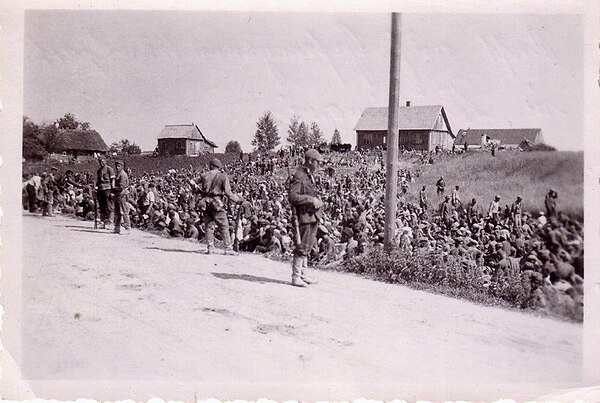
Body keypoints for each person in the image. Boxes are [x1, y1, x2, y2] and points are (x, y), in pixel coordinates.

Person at [288, 148, 324, 287]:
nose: (319, 165)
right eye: (317, 162)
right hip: (303, 216)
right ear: (310, 161)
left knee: (307, 245)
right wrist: (311, 200)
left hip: (311, 215)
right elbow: (293, 196)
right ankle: (296, 276)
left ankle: (303, 274)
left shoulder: (308, 175)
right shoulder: (299, 176)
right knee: (301, 245)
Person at [199, 157, 242, 254]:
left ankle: (210, 248)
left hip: (205, 202)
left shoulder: (204, 175)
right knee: (224, 225)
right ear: (218, 166)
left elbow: (192, 182)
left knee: (209, 225)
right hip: (217, 202)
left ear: (211, 166)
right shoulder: (222, 176)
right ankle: (228, 248)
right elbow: (228, 193)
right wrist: (237, 200)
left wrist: (199, 191)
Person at [112, 160, 131, 234]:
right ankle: (117, 228)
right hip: (118, 195)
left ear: (122, 166)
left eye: (118, 166)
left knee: (123, 211)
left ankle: (127, 227)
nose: (117, 167)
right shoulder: (118, 174)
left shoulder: (123, 174)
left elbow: (121, 186)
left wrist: (113, 188)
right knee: (117, 212)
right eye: (116, 166)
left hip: (122, 194)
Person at [96, 157, 115, 229]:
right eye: (100, 161)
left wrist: (112, 190)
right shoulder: (99, 170)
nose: (101, 162)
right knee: (102, 205)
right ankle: (103, 221)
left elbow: (112, 180)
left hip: (108, 188)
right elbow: (98, 180)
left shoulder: (109, 169)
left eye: (103, 161)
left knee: (109, 205)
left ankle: (110, 221)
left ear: (105, 161)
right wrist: (96, 188)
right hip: (101, 189)